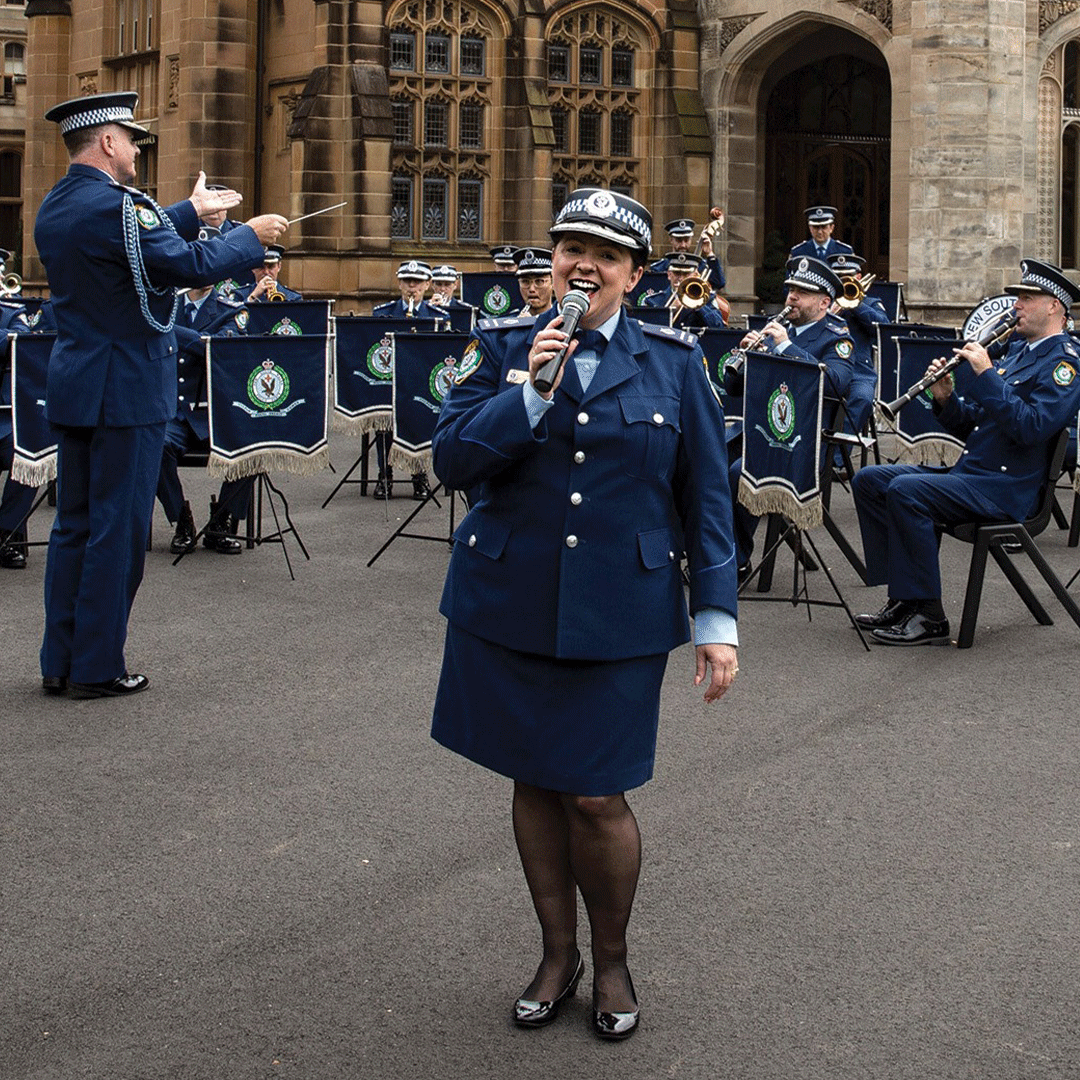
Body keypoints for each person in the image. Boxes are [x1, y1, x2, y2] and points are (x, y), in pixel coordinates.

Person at [430, 187, 739, 1041]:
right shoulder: (499, 347)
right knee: (533, 777)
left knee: (597, 796)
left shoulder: (676, 363)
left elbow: (706, 495)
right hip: (511, 599)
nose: (583, 264)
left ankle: (610, 960)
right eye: (571, 247)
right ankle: (554, 954)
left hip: (622, 609)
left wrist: (717, 620)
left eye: (605, 254)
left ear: (634, 276)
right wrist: (527, 394)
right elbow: (451, 461)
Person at [34, 90, 287, 698]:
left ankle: (60, 659)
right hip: (125, 391)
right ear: (107, 142)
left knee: (74, 526)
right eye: (130, 136)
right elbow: (185, 267)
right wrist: (247, 237)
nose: (137, 146)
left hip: (76, 385)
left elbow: (128, 241)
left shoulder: (57, 206)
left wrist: (192, 210)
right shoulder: (119, 208)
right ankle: (98, 667)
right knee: (118, 531)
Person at [851, 258, 1080, 645]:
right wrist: (945, 399)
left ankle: (929, 615)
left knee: (907, 492)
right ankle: (906, 597)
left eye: (1026, 298)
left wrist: (988, 374)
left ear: (1054, 305)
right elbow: (974, 426)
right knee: (870, 480)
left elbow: (1031, 427)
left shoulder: (1065, 364)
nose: (1016, 306)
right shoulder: (1020, 352)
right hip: (974, 475)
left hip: (1006, 489)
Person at [724, 256, 856, 575]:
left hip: (802, 444)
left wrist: (784, 349)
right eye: (791, 289)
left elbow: (835, 384)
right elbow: (734, 388)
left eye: (803, 291)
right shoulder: (779, 332)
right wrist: (746, 356)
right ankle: (704, 547)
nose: (792, 297)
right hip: (760, 432)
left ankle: (736, 559)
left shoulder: (836, 338)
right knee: (697, 458)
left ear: (825, 302)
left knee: (740, 472)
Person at [155, 267, 253, 555]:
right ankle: (181, 520)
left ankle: (222, 521)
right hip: (174, 413)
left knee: (249, 447)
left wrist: (168, 329)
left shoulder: (233, 309)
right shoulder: (167, 307)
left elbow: (218, 349)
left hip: (216, 414)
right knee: (154, 444)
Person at [371, 260, 439, 499]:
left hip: (422, 383)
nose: (412, 287)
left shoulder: (438, 316)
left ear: (428, 285)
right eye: (407, 281)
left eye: (418, 282)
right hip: (389, 383)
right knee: (383, 425)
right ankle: (384, 475)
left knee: (420, 424)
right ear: (399, 283)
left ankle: (419, 476)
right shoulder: (382, 314)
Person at [0, 297, 33, 568]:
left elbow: (21, 341)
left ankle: (6, 533)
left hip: (4, 419)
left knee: (27, 457)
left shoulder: (12, 313)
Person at [641, 251, 726, 328]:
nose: (681, 278)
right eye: (677, 273)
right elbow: (645, 330)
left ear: (696, 275)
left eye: (686, 274)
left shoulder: (708, 299)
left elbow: (718, 326)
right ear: (669, 274)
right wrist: (669, 311)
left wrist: (698, 306)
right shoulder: (652, 301)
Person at [648, 218, 726, 291]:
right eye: (678, 240)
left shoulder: (701, 265)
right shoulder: (658, 268)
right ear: (671, 240)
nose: (683, 245)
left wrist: (710, 254)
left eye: (686, 240)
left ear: (691, 240)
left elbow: (719, 283)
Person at [789, 205, 854, 262]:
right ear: (810, 228)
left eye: (824, 227)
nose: (820, 232)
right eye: (816, 227)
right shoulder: (798, 252)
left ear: (832, 228)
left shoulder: (844, 251)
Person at [511, 247, 554, 316]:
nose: (531, 289)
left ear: (553, 283)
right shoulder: (510, 321)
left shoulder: (565, 320)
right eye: (525, 282)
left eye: (539, 281)